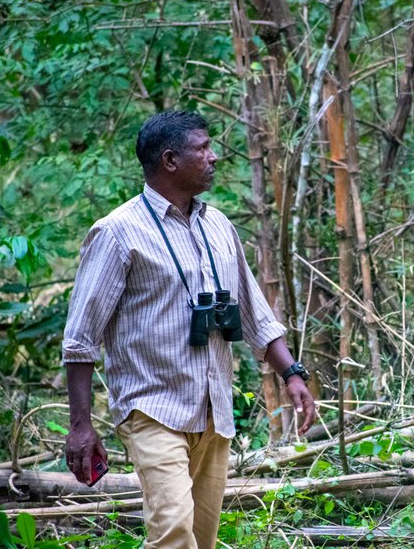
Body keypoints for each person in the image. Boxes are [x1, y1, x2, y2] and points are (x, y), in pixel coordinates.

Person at [62, 110, 316, 548]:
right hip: (152, 407)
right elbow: (80, 338)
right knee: (174, 531)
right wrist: (81, 425)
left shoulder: (217, 225)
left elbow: (254, 312)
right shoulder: (118, 232)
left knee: (201, 537)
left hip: (213, 409)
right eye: (203, 148)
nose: (214, 156)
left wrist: (292, 373)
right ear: (169, 160)